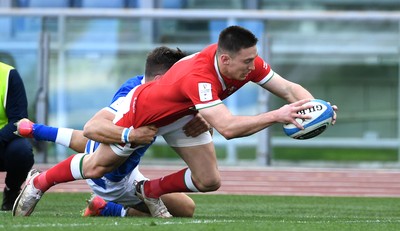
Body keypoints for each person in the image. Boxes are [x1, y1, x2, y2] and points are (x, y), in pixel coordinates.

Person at [13, 25, 338, 218]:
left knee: (210, 180)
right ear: (224, 59)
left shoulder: (245, 61)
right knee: (98, 166)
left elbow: (288, 88)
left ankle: (148, 189)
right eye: (247, 62)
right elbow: (227, 128)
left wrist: (313, 108)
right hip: (147, 114)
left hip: (184, 113)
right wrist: (278, 115)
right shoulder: (199, 77)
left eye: (254, 59)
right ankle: (41, 183)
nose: (252, 67)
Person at [14, 46, 209, 217]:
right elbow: (93, 128)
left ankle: (106, 206)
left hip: (127, 171)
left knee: (186, 208)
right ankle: (43, 182)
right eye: (178, 77)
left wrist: (201, 121)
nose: (183, 82)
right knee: (108, 144)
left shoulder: (160, 91)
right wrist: (130, 135)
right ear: (160, 79)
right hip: (110, 178)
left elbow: (201, 146)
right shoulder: (133, 96)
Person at [0, 61, 34, 211]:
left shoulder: (8, 74)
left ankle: (12, 190)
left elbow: (19, 120)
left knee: (22, 151)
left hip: (3, 144)